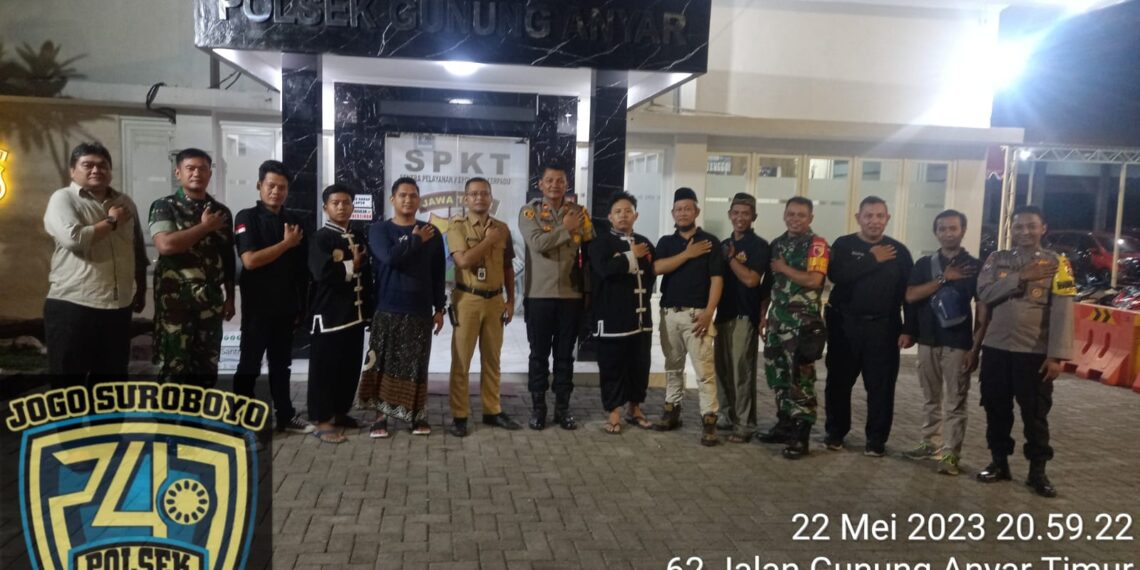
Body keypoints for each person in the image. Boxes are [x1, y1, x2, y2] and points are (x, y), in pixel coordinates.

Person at [975, 205, 1074, 498]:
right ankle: (999, 462)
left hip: (1034, 352)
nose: (1025, 231)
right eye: (1019, 226)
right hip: (996, 348)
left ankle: (1037, 471)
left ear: (1044, 228)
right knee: (995, 408)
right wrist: (1021, 277)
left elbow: (1063, 312)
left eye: (1032, 226)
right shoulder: (997, 259)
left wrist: (1056, 355)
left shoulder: (1057, 263)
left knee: (1035, 414)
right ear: (1011, 229)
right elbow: (984, 293)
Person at [42, 142, 148, 388]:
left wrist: (141, 289)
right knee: (69, 386)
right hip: (73, 305)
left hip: (117, 307)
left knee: (111, 386)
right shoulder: (63, 199)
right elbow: (74, 239)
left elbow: (137, 248)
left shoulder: (124, 202)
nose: (96, 170)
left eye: (102, 165)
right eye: (87, 165)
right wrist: (111, 221)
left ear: (110, 171)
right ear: (73, 171)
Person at [824, 195, 915, 457]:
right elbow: (836, 275)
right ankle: (835, 432)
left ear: (887, 218)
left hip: (884, 328)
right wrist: (871, 259)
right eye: (868, 216)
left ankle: (876, 440)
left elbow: (908, 293)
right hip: (845, 326)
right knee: (838, 383)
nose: (874, 221)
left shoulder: (899, 252)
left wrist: (909, 328)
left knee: (881, 387)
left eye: (879, 216)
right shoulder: (843, 245)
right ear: (858, 218)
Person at [902, 209, 988, 476]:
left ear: (963, 231)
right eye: (942, 229)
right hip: (927, 340)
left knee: (955, 401)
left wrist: (975, 347)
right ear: (935, 232)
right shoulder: (923, 264)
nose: (948, 233)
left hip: (958, 343)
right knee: (930, 397)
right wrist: (943, 279)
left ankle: (951, 453)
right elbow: (911, 296)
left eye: (953, 228)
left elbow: (983, 310)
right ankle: (930, 442)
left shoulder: (975, 266)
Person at [358, 178, 445, 438]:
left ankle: (417, 416)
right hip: (387, 307)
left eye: (413, 195)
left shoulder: (432, 231)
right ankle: (380, 417)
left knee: (416, 364)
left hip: (419, 309)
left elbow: (438, 273)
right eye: (403, 195)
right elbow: (390, 258)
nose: (408, 200)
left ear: (419, 200)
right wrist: (415, 240)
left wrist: (439, 308)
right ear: (393, 199)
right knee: (382, 364)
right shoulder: (379, 230)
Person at [232, 160, 311, 434]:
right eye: (271, 186)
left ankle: (286, 416)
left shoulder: (295, 221)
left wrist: (302, 305)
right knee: (249, 364)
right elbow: (250, 261)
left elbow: (302, 268)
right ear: (259, 185)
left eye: (282, 187)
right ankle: (241, 419)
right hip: (257, 307)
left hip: (286, 306)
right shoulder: (246, 217)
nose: (276, 191)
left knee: (281, 365)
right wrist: (286, 244)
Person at [150, 148, 236, 387]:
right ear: (178, 172)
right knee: (174, 367)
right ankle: (169, 412)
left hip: (210, 301)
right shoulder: (165, 206)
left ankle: (196, 411)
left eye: (202, 168)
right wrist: (204, 227)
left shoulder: (220, 212)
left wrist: (230, 298)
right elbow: (166, 245)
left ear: (210, 173)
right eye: (190, 168)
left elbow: (227, 256)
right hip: (175, 302)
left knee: (206, 367)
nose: (197, 173)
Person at [518, 164, 595, 431]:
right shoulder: (530, 212)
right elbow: (538, 243)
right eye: (549, 180)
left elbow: (589, 253)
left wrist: (588, 291)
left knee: (565, 357)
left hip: (571, 296)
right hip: (539, 295)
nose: (554, 185)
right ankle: (538, 408)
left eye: (560, 180)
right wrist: (565, 228)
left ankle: (563, 408)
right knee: (538, 355)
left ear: (567, 184)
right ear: (540, 184)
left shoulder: (580, 213)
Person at [446, 177, 521, 437]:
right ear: (466, 199)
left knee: (492, 360)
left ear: (491, 198)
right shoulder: (456, 226)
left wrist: (510, 301)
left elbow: (508, 267)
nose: (480, 198)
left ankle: (492, 410)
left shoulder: (502, 228)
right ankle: (459, 415)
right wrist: (489, 241)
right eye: (474, 194)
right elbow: (463, 261)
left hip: (495, 300)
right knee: (461, 361)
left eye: (485, 193)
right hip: (467, 299)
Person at [757, 197, 830, 459]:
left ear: (810, 218)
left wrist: (784, 268)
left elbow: (814, 280)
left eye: (801, 215)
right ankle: (785, 424)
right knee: (778, 376)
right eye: (791, 214)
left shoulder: (817, 245)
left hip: (802, 325)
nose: (795, 219)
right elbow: (770, 284)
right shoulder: (777, 244)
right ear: (784, 215)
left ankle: (801, 434)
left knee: (801, 379)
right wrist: (764, 315)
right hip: (777, 322)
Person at [652, 187, 724, 446]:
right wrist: (687, 254)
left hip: (697, 317)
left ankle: (709, 419)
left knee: (704, 371)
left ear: (696, 211)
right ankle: (672, 410)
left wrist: (709, 312)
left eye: (687, 209)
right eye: (678, 209)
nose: (683, 213)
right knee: (673, 367)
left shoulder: (710, 242)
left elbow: (717, 279)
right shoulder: (666, 242)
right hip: (670, 314)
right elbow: (657, 268)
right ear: (673, 213)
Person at [307, 184, 374, 444]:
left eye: (346, 202)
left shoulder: (358, 235)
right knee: (324, 371)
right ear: (326, 207)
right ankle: (322, 420)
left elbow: (367, 275)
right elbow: (321, 272)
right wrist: (352, 265)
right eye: (335, 203)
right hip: (329, 316)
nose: (341, 207)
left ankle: (339, 412)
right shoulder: (320, 238)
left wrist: (368, 310)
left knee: (349, 368)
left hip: (354, 315)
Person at [588, 192, 656, 434]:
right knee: (612, 366)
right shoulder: (600, 243)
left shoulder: (645, 242)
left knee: (639, 365)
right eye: (618, 212)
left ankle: (634, 408)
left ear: (636, 215)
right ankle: (614, 412)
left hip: (640, 319)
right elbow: (604, 271)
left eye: (628, 211)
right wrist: (630, 256)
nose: (623, 216)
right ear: (610, 217)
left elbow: (651, 275)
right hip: (611, 319)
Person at [713, 193, 771, 443]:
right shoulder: (724, 244)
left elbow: (751, 280)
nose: (740, 217)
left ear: (753, 216)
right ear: (729, 215)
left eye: (745, 213)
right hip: (722, 315)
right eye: (736, 213)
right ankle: (727, 416)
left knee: (741, 372)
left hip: (744, 316)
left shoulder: (759, 245)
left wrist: (730, 258)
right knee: (722, 370)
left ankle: (745, 424)